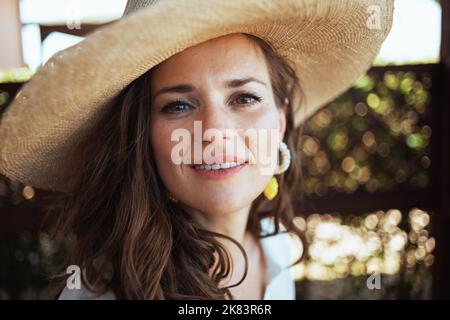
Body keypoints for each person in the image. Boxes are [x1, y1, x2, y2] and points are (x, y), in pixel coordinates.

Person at [0, 0, 393, 299]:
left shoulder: (273, 248)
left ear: (281, 119)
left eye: (243, 98)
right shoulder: (102, 289)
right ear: (144, 136)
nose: (215, 132)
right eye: (179, 106)